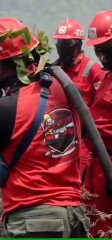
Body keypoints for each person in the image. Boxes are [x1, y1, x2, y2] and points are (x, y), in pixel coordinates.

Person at [0, 17, 90, 238]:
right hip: (74, 218)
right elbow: (83, 132)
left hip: (36, 222)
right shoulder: (65, 90)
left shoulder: (7, 108)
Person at [54, 19, 105, 176]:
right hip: (59, 139)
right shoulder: (55, 70)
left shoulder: (93, 71)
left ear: (77, 45)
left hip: (83, 143)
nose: (62, 48)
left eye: (67, 44)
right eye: (60, 43)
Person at [83, 10, 112, 237]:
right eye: (96, 46)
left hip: (109, 163)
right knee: (95, 226)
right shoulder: (107, 76)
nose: (98, 51)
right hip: (97, 165)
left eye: (104, 45)